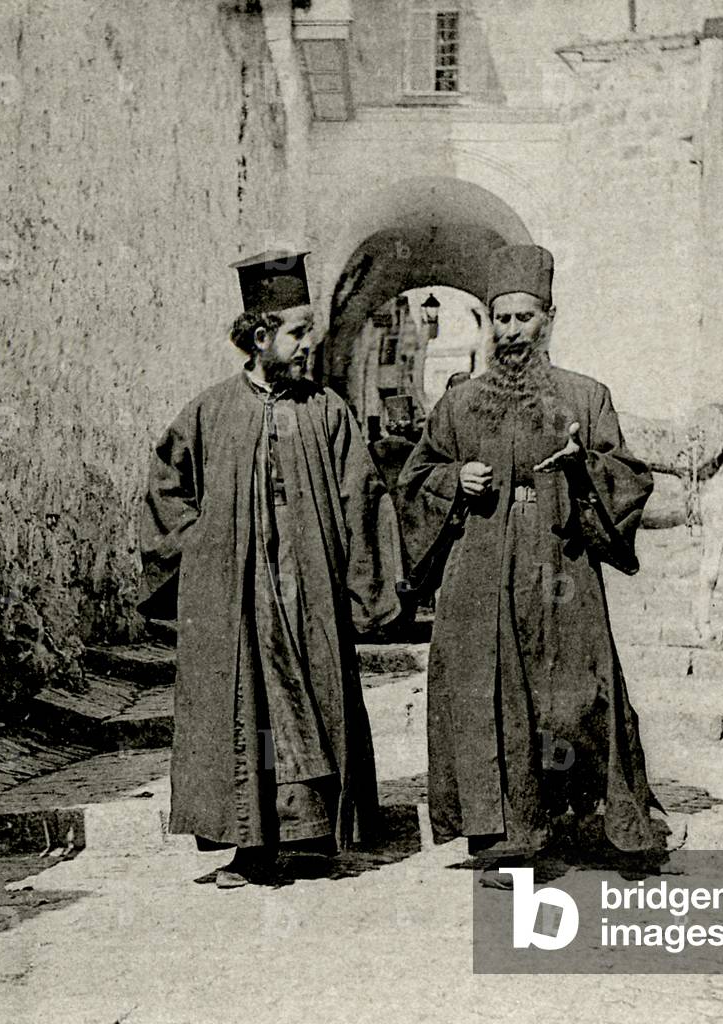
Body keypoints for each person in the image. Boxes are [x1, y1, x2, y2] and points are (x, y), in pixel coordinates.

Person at [397, 244, 668, 880]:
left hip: (560, 564)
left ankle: (578, 816)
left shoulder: (585, 396)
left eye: (525, 318)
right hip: (481, 564)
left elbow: (630, 477)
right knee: (489, 693)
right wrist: (452, 478)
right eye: (502, 320)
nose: (512, 332)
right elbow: (414, 478)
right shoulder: (458, 405)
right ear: (489, 325)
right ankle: (508, 833)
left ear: (549, 318)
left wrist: (583, 467)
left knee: (573, 688)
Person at [138, 250, 403, 887]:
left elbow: (363, 497)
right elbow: (167, 489)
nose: (310, 344)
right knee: (246, 711)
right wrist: (202, 547)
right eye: (298, 331)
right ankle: (250, 848)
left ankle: (312, 836)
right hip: (238, 598)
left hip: (306, 591)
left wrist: (366, 588)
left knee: (311, 700)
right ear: (261, 337)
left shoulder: (328, 411)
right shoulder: (208, 412)